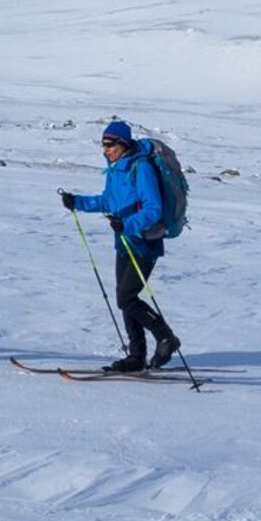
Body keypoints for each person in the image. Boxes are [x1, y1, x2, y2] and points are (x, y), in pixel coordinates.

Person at [61, 120, 180, 372]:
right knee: (124, 299)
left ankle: (166, 337)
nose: (105, 149)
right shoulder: (116, 169)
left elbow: (154, 209)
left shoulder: (142, 168)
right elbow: (108, 201)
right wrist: (77, 202)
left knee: (127, 297)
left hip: (144, 241)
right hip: (124, 241)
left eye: (109, 144)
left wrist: (126, 226)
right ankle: (136, 356)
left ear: (122, 144)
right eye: (103, 145)